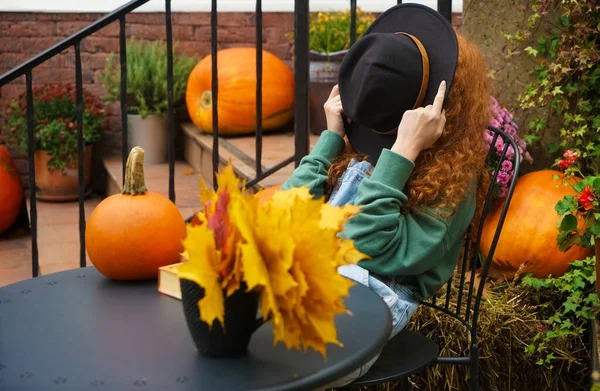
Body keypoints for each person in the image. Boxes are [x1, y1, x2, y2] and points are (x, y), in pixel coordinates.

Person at [280, 3, 492, 387]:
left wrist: (403, 153)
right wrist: (330, 139)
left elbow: (367, 243)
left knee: (264, 363)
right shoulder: (361, 149)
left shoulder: (455, 183)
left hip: (370, 305)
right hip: (316, 278)